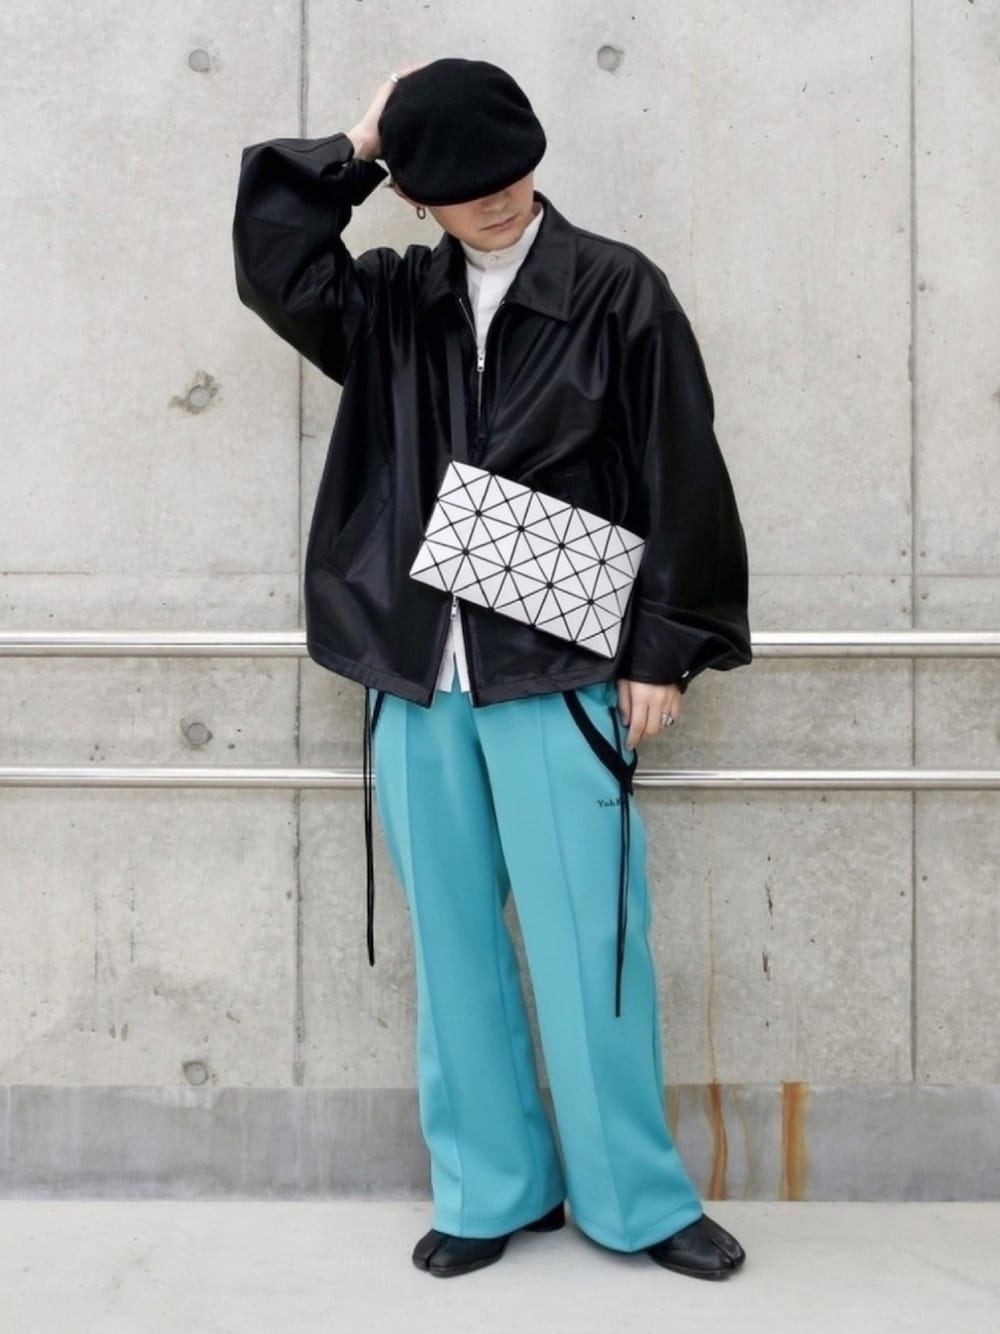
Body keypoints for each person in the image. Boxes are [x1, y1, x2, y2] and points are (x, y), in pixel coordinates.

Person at [232, 57, 752, 1280]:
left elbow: (681, 463)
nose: (499, 196)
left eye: (511, 169)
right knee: (454, 944)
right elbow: (272, 259)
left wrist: (663, 647)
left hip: (559, 664)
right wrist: (360, 144)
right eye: (464, 184)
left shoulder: (614, 287)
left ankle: (635, 1198)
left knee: (590, 944)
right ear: (417, 196)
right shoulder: (390, 301)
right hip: (416, 670)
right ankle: (490, 1184)